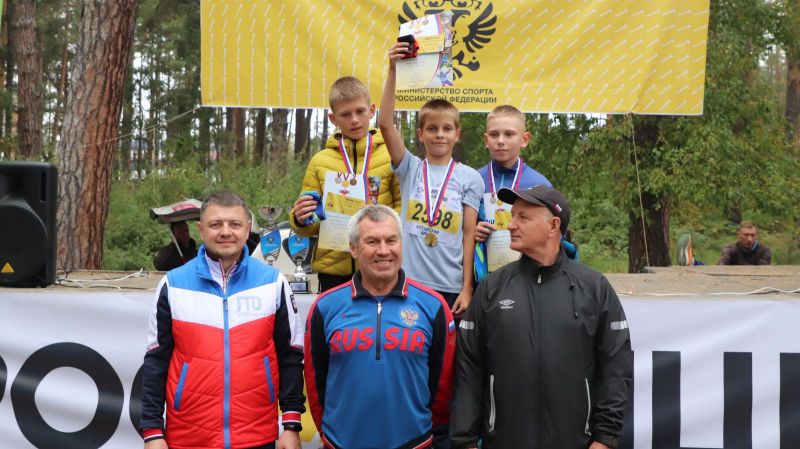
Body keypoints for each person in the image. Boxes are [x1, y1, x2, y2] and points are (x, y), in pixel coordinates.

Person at [450, 185, 633, 449]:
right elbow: (468, 372)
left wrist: (605, 440)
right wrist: (464, 442)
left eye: (523, 217)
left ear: (553, 226)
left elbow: (616, 370)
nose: (510, 225)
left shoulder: (594, 288)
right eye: (513, 215)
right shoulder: (491, 288)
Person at [140, 191, 305, 449]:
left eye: (234, 224)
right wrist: (152, 431)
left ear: (247, 228)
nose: (225, 232)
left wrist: (291, 424)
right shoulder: (173, 284)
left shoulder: (273, 282)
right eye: (216, 224)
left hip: (256, 436)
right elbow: (156, 362)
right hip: (188, 438)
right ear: (201, 229)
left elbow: (290, 356)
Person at [304, 204, 456, 449]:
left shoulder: (433, 306)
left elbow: (442, 386)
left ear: (401, 244)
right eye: (372, 241)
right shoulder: (325, 307)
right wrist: (329, 436)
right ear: (353, 248)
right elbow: (315, 383)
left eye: (391, 240)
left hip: (414, 444)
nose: (384, 251)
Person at [379, 41, 483, 319]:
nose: (440, 134)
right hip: (409, 282)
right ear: (420, 133)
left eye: (447, 129)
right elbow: (385, 124)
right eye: (432, 128)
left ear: (457, 134)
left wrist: (467, 288)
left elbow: (469, 235)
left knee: (445, 348)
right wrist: (393, 71)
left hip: (450, 287)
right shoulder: (410, 168)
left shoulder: (470, 177)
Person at [290, 76, 400, 293]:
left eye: (360, 111)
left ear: (372, 110)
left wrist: (383, 232)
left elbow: (402, 207)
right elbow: (310, 223)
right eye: (345, 114)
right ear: (333, 118)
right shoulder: (319, 162)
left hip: (381, 264)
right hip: (333, 271)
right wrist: (300, 219)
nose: (354, 120)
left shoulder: (391, 155)